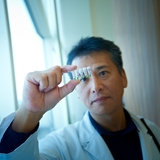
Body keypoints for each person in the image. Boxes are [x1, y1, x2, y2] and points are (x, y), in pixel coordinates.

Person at [0, 37, 160, 160]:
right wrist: (29, 112)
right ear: (76, 89)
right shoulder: (61, 145)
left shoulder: (154, 131)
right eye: (83, 78)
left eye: (103, 73)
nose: (96, 87)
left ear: (123, 77)